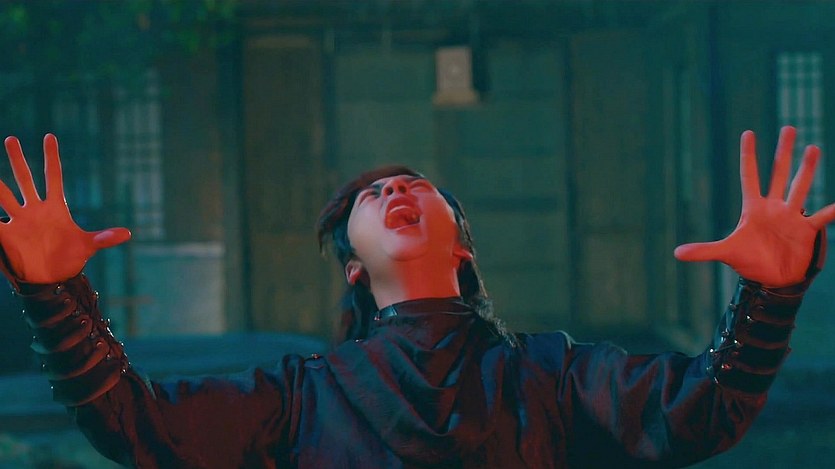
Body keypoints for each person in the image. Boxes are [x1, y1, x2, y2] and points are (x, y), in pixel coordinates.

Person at [1, 126, 832, 468]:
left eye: (415, 185)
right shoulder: (305, 395)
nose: (396, 190)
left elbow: (704, 409)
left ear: (461, 244)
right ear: (352, 267)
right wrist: (53, 293)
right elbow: (135, 424)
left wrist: (771, 292)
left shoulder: (548, 374)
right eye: (373, 194)